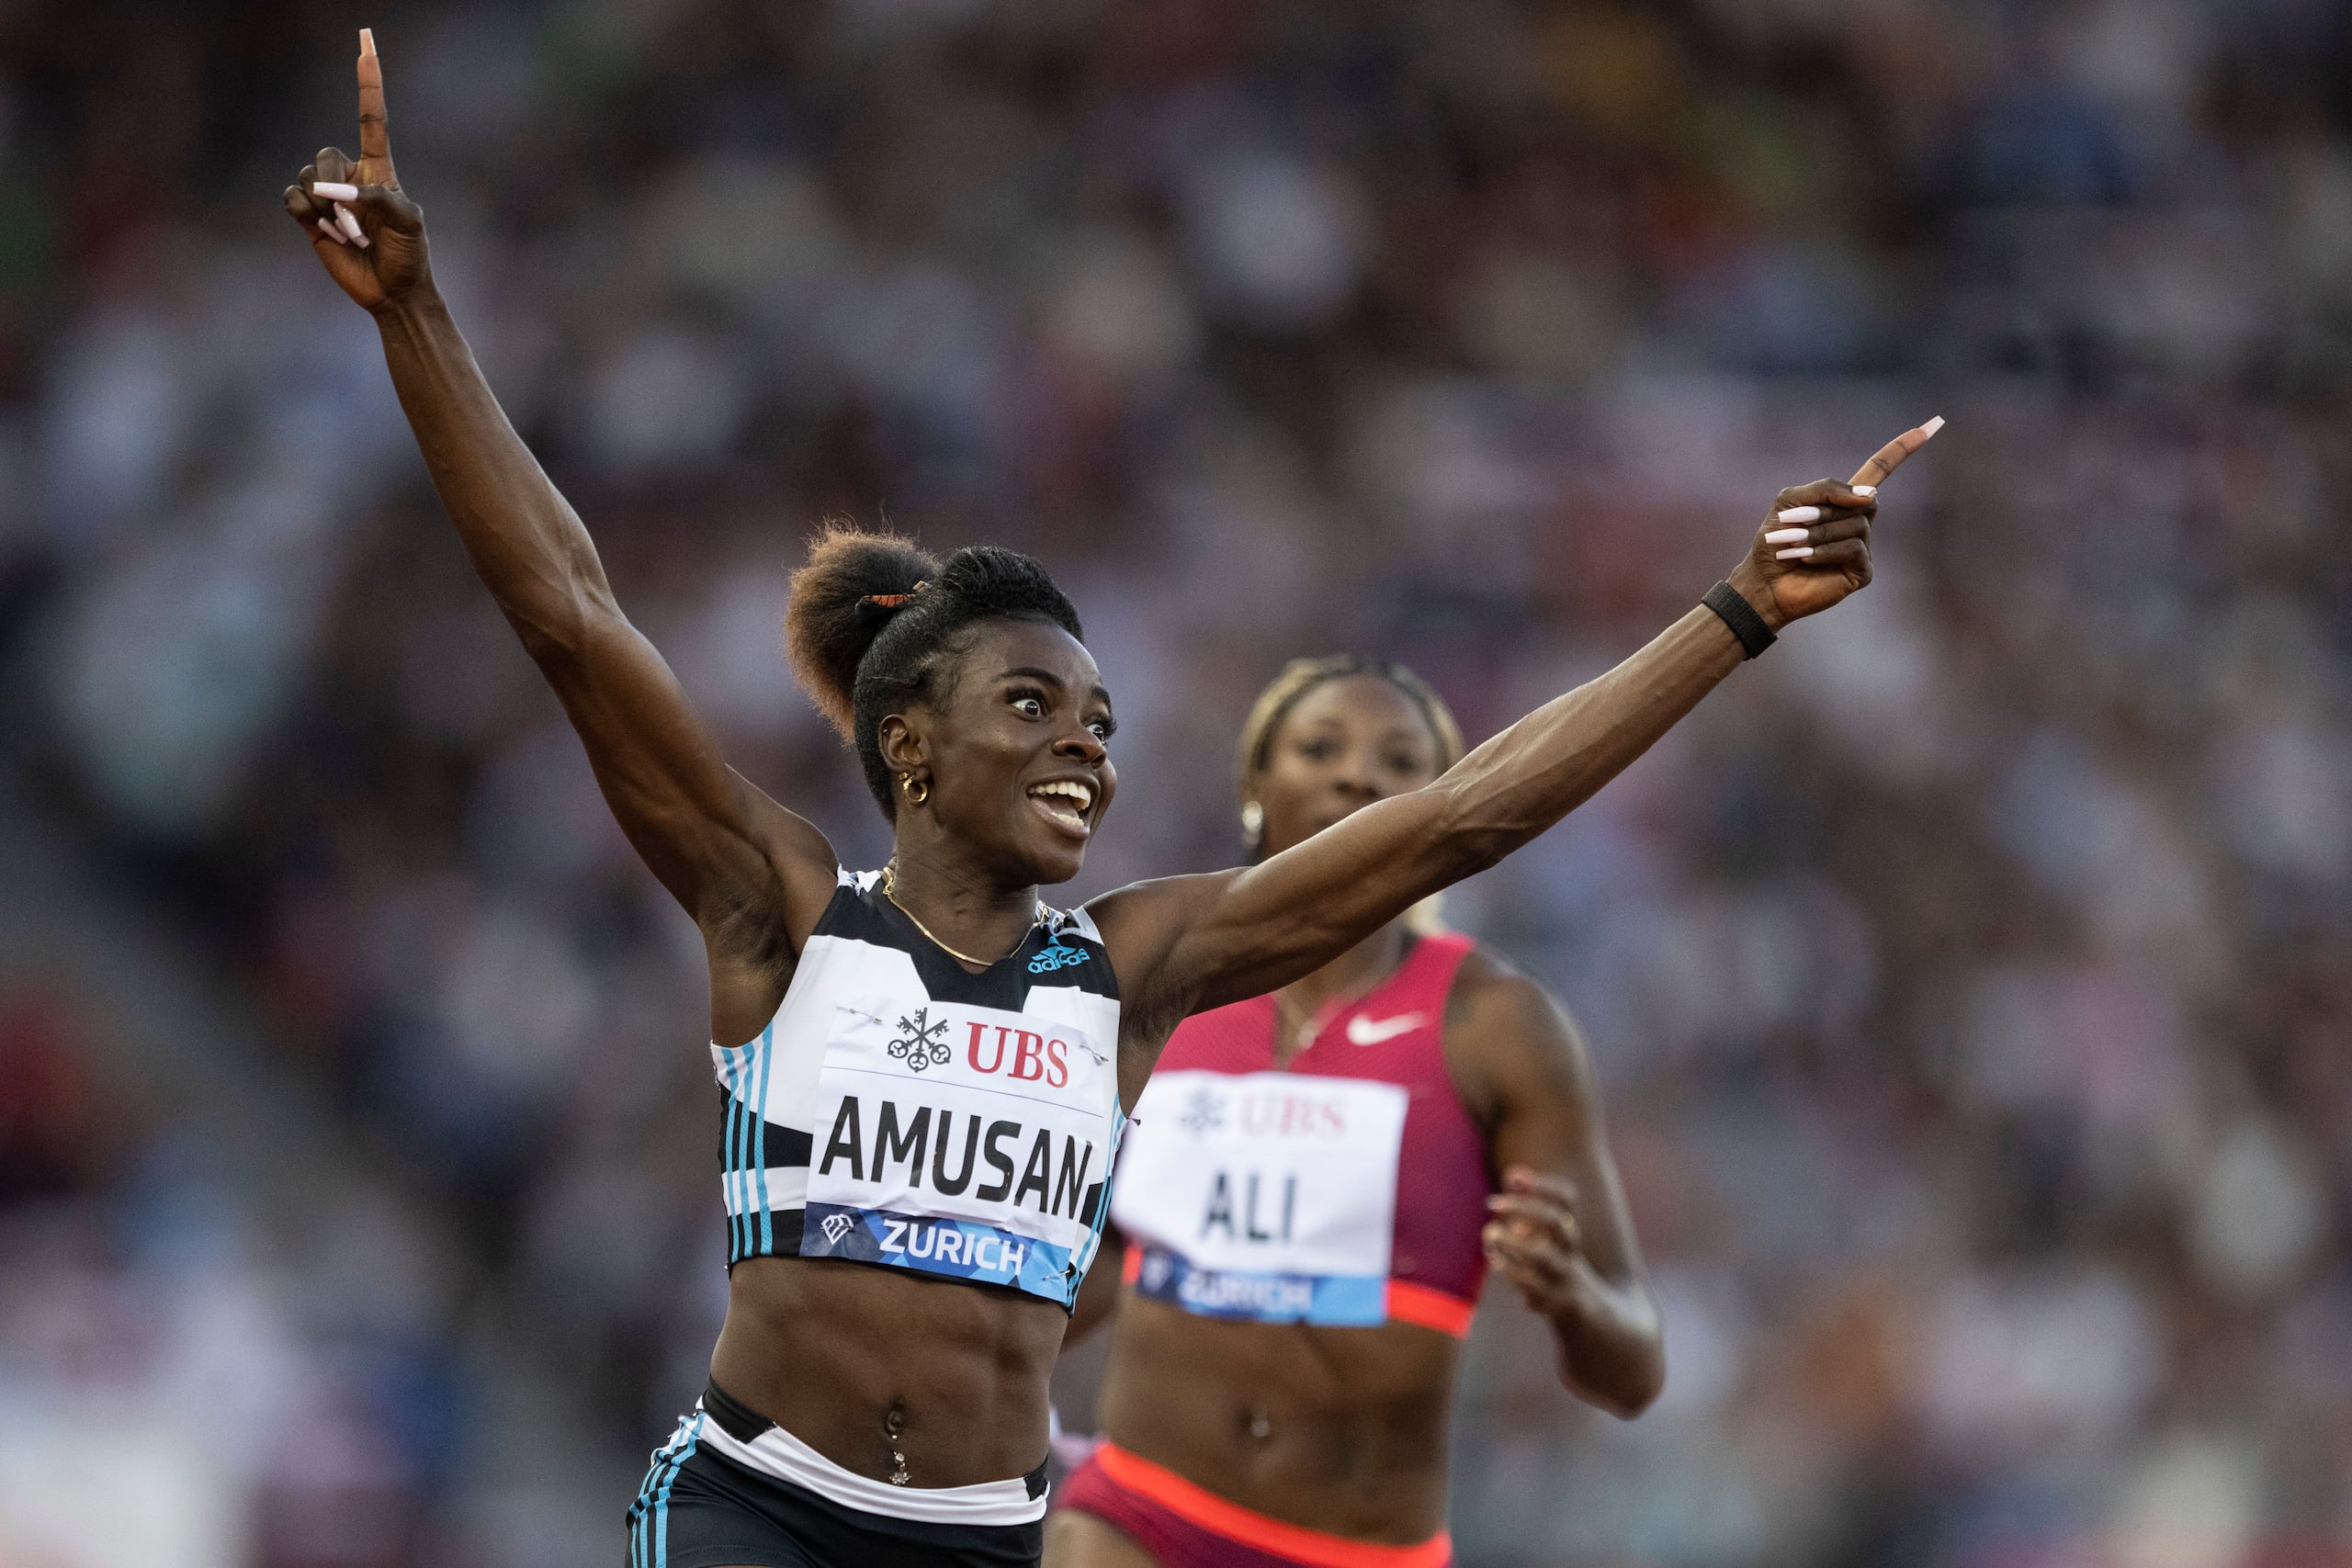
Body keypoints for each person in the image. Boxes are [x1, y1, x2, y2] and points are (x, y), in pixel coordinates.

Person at [282, 29, 1934, 1568]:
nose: (1089, 749)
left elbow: (1461, 821)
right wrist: (414, 316)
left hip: (994, 1532)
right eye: (1036, 708)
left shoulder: (1131, 971)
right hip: (760, 1511)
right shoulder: (776, 909)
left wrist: (1732, 616)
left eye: (1103, 721)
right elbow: (572, 614)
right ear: (912, 743)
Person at [1046, 657, 1657, 1568]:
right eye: (1320, 747)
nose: (1356, 774)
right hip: (1139, 1512)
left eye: (1400, 761)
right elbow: (1098, 1261)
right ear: (1255, 789)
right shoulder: (1166, 998)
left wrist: (1567, 1292)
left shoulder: (1496, 1027)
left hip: (1357, 1548)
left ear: (1443, 811)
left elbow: (1632, 1372)